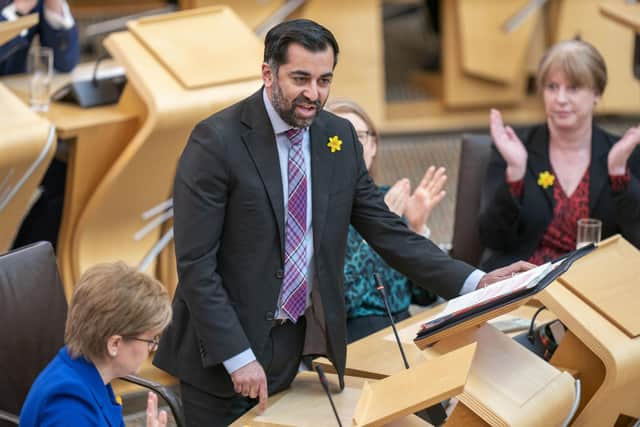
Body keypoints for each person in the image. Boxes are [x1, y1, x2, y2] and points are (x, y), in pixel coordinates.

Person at [153, 18, 532, 426]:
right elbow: (196, 266)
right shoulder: (215, 142)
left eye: (324, 80)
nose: (313, 94)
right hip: (220, 358)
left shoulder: (337, 137)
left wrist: (476, 283)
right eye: (300, 78)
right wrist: (238, 356)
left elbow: (388, 232)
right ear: (268, 73)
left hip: (291, 349)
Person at [478, 39, 640, 270]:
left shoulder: (624, 154)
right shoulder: (515, 148)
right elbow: (492, 239)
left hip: (594, 283)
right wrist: (515, 174)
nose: (560, 99)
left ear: (597, 93)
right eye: (552, 87)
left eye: (573, 88)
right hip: (525, 281)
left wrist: (620, 177)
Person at [325, 99, 446, 342]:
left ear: (373, 146)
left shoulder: (391, 199)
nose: (351, 147)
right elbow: (340, 303)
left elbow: (427, 295)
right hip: (353, 336)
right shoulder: (316, 214)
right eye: (339, 137)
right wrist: (379, 230)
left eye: (358, 136)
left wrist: (416, 228)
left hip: (407, 327)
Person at [20, 262, 172, 427]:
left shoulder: (91, 373)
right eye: (151, 341)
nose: (152, 349)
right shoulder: (68, 406)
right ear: (114, 344)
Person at [0, 0, 79, 75]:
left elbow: (65, 63)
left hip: (16, 85)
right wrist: (17, 12)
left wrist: (54, 7)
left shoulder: (37, 3)